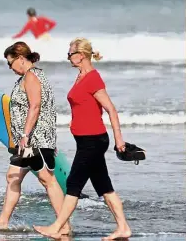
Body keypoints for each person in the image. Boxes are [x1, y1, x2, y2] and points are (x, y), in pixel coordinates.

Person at [34, 38, 132, 240]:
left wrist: (119, 140)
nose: (67, 57)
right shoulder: (80, 76)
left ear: (82, 55)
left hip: (93, 140)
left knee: (73, 184)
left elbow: (111, 110)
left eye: (70, 53)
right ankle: (123, 227)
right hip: (86, 140)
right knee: (104, 187)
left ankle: (58, 226)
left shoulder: (93, 78)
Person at [0, 42, 71, 235]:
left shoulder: (31, 76)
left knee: (48, 180)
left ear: (20, 58)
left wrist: (26, 135)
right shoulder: (32, 75)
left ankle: (64, 226)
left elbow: (35, 107)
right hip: (29, 142)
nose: (10, 68)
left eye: (10, 63)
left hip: (35, 140)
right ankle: (3, 221)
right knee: (12, 177)